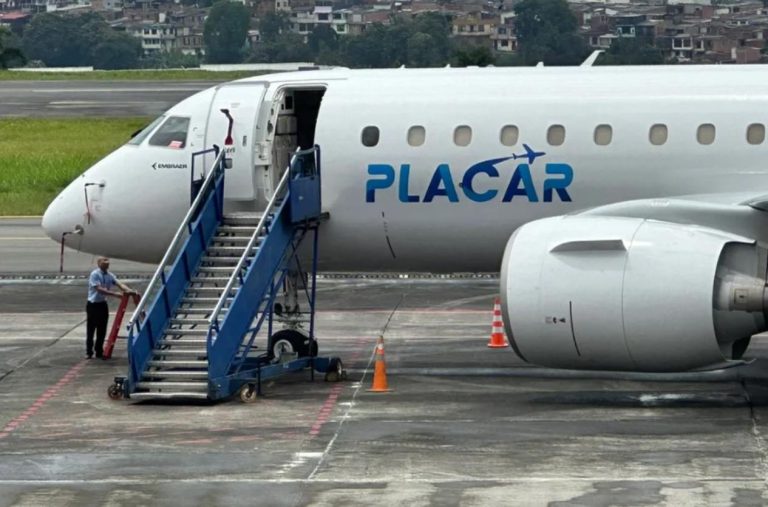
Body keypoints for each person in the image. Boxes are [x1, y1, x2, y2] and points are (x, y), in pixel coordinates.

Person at [86, 257, 136, 359]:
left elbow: (120, 284)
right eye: (104, 261)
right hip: (93, 305)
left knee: (102, 329)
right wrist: (115, 294)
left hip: (102, 304)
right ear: (99, 263)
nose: (106, 263)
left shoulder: (110, 275)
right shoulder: (95, 274)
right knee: (91, 329)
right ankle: (89, 352)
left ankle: (99, 351)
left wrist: (129, 291)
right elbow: (99, 289)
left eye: (107, 262)